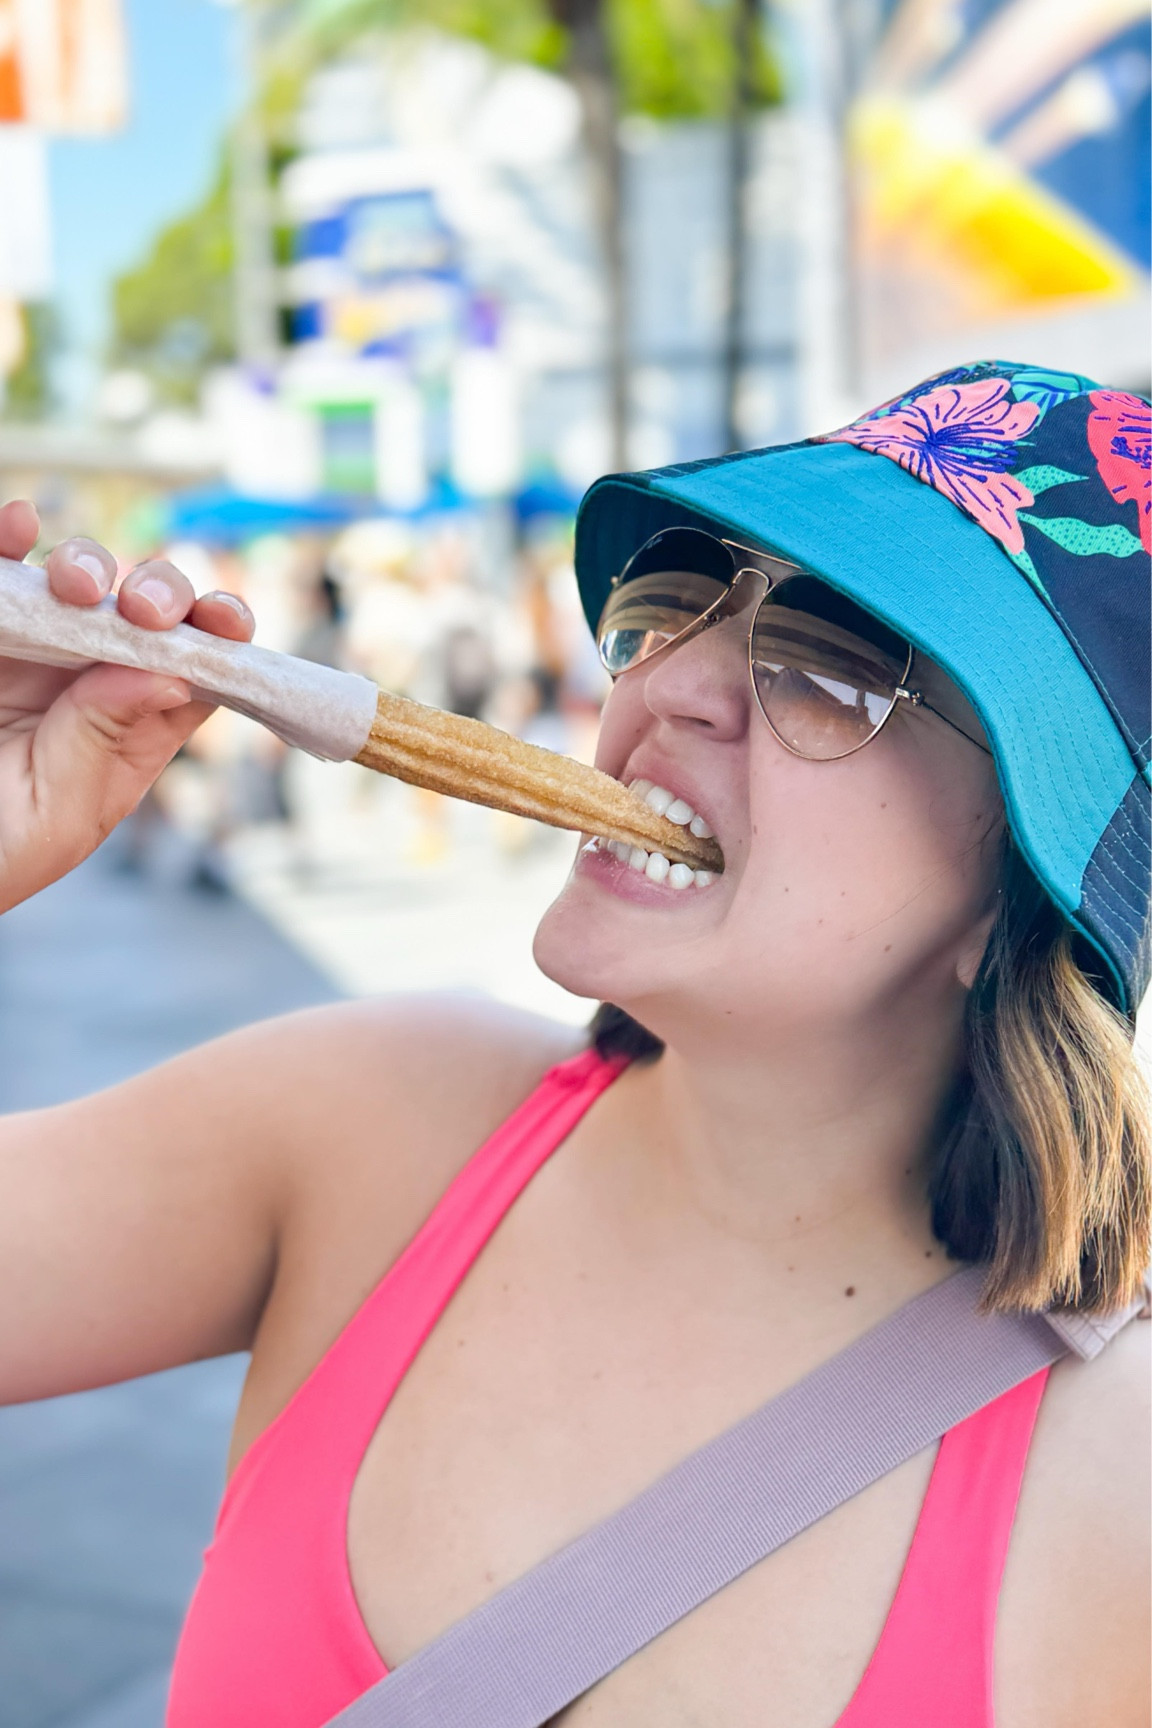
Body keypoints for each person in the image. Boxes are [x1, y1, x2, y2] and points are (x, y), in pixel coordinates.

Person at [0, 360, 1147, 1728]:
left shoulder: (1116, 1498)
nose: (675, 682)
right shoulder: (369, 1128)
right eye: (677, 598)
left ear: (1020, 895)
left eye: (834, 669)